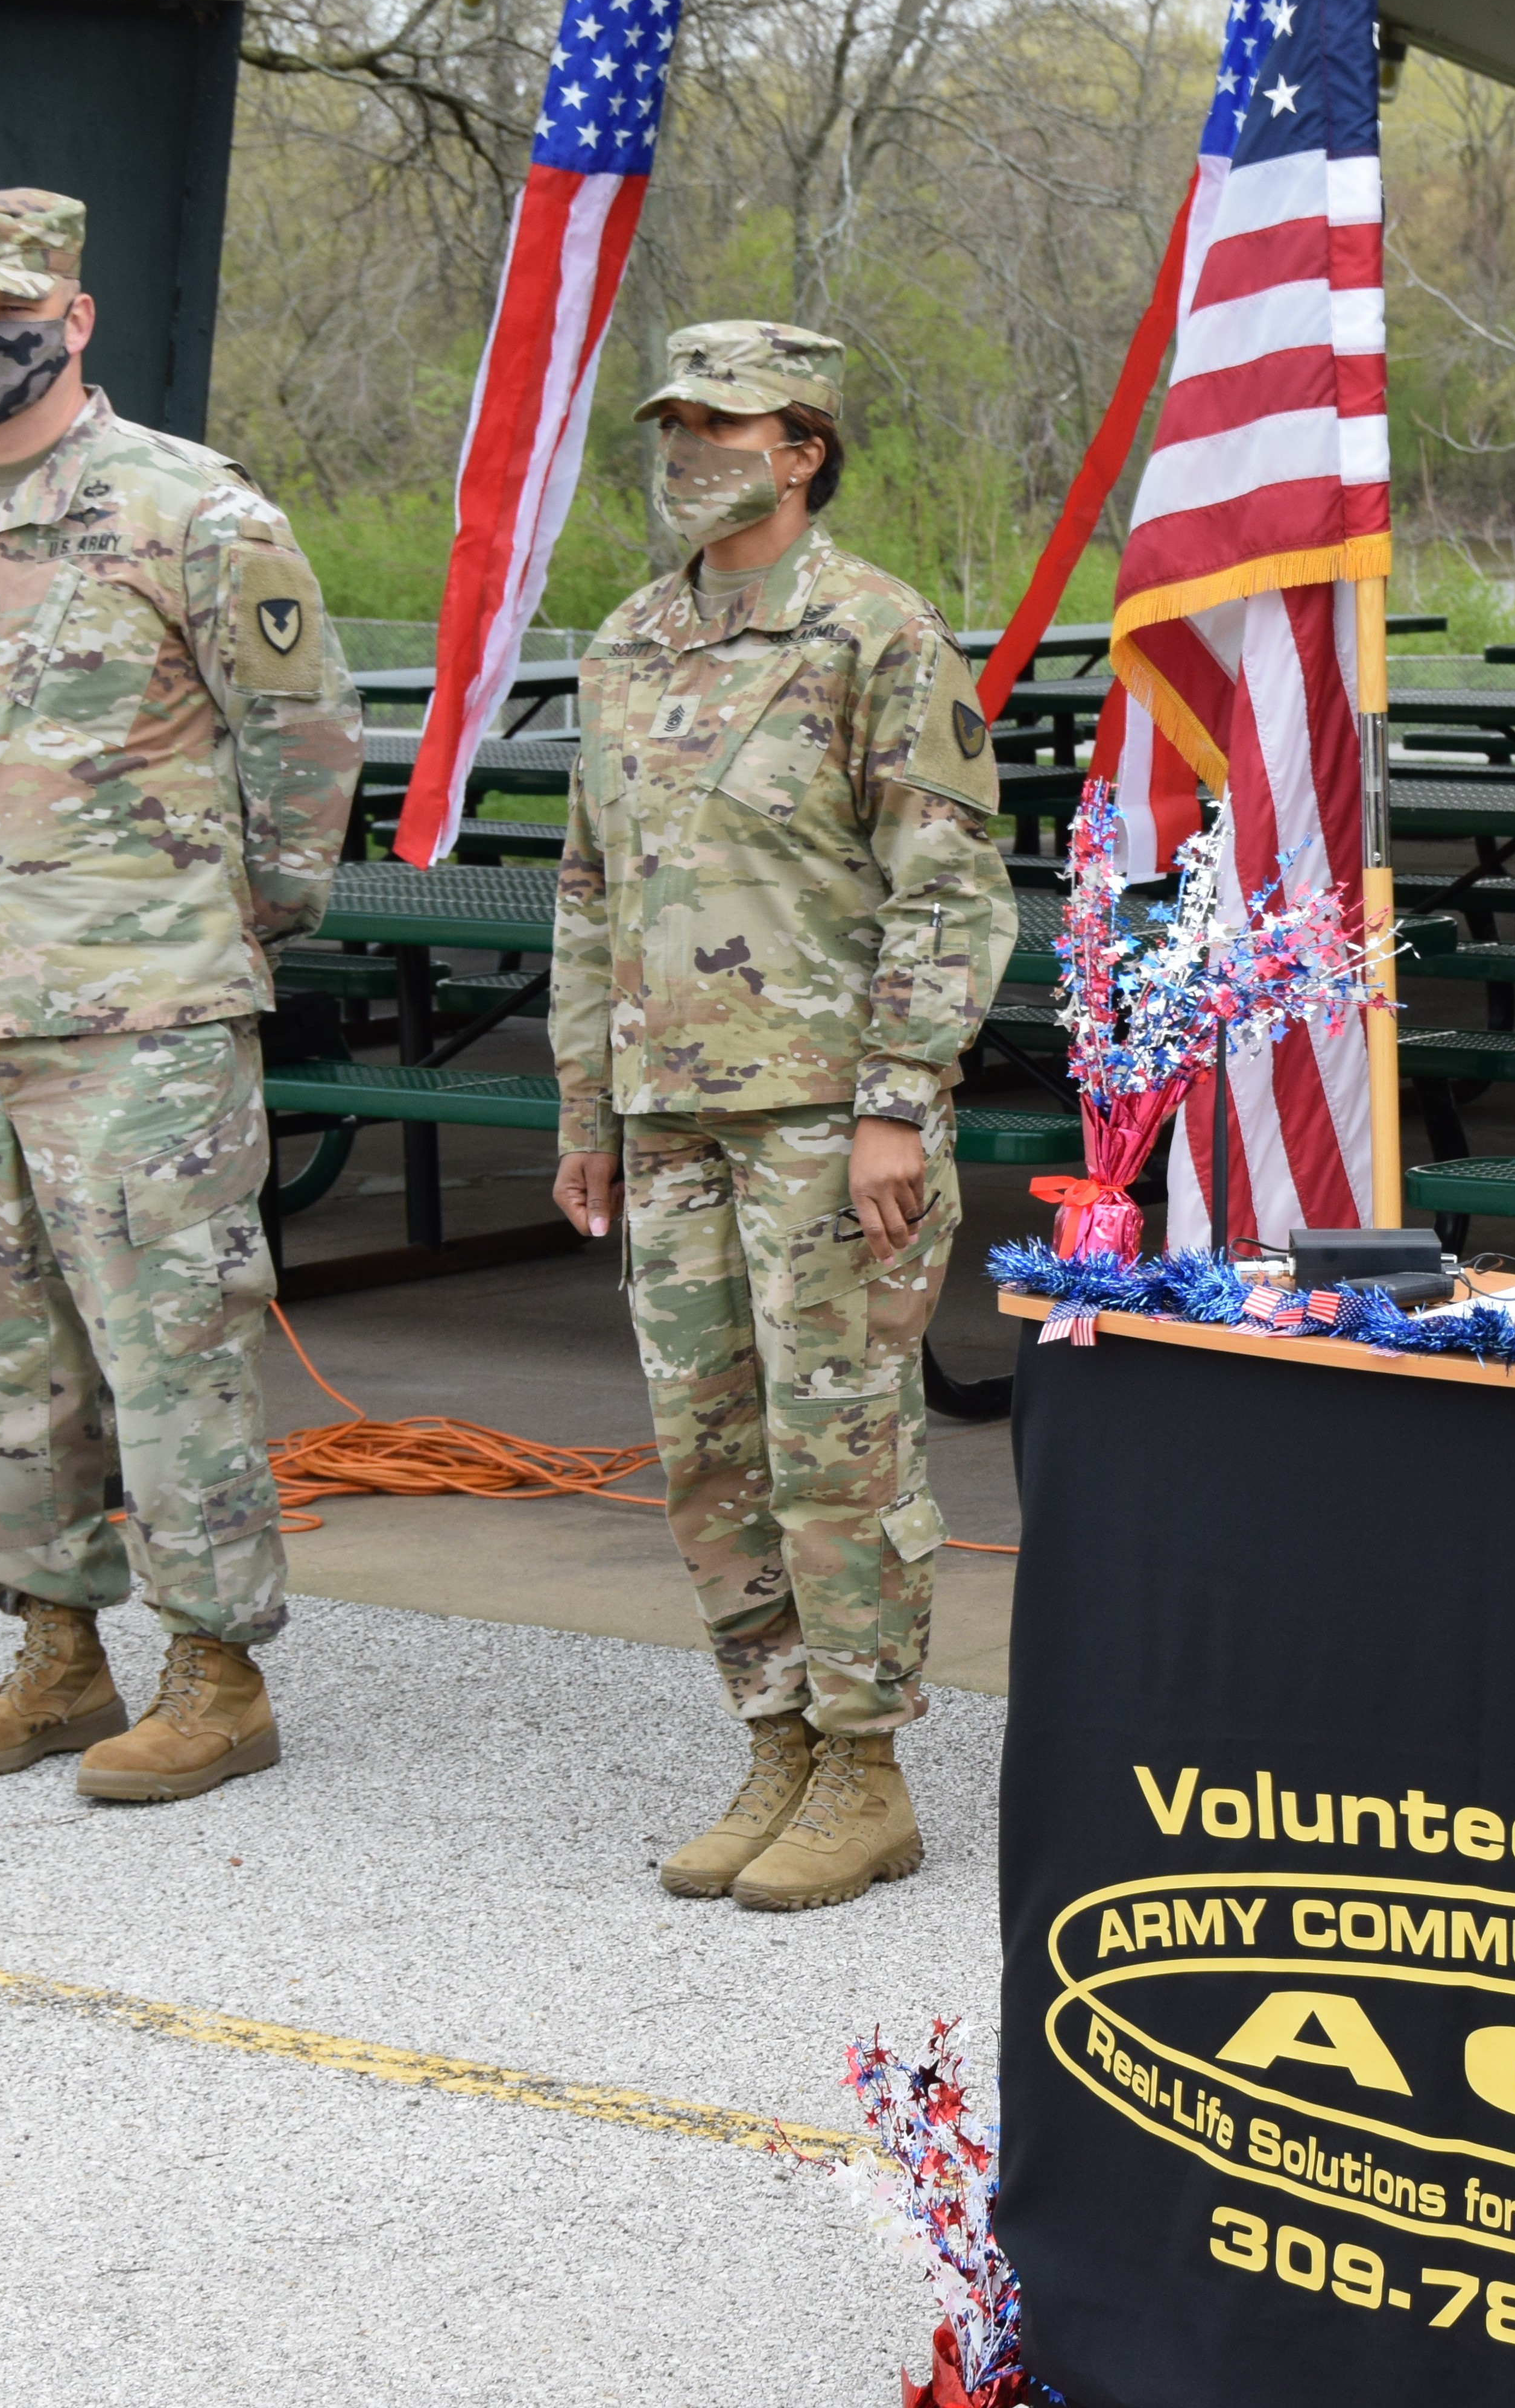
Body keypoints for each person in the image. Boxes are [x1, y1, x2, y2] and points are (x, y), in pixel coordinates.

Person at [0, 189, 361, 1801]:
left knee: (169, 1347)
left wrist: (233, 935)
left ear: (75, 317)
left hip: (140, 1018)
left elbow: (303, 753)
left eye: (7, 311)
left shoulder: (195, 514)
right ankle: (57, 1658)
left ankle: (215, 1678)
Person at [548, 321, 1009, 1913]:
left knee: (839, 1451)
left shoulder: (879, 633)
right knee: (708, 1453)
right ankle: (777, 1736)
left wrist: (899, 1105)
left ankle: (868, 1770)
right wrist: (586, 1103)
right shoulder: (623, 644)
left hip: (825, 1122)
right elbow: (589, 888)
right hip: (670, 1112)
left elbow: (948, 887)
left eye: (726, 425)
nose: (691, 449)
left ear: (803, 445)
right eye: (675, 422)